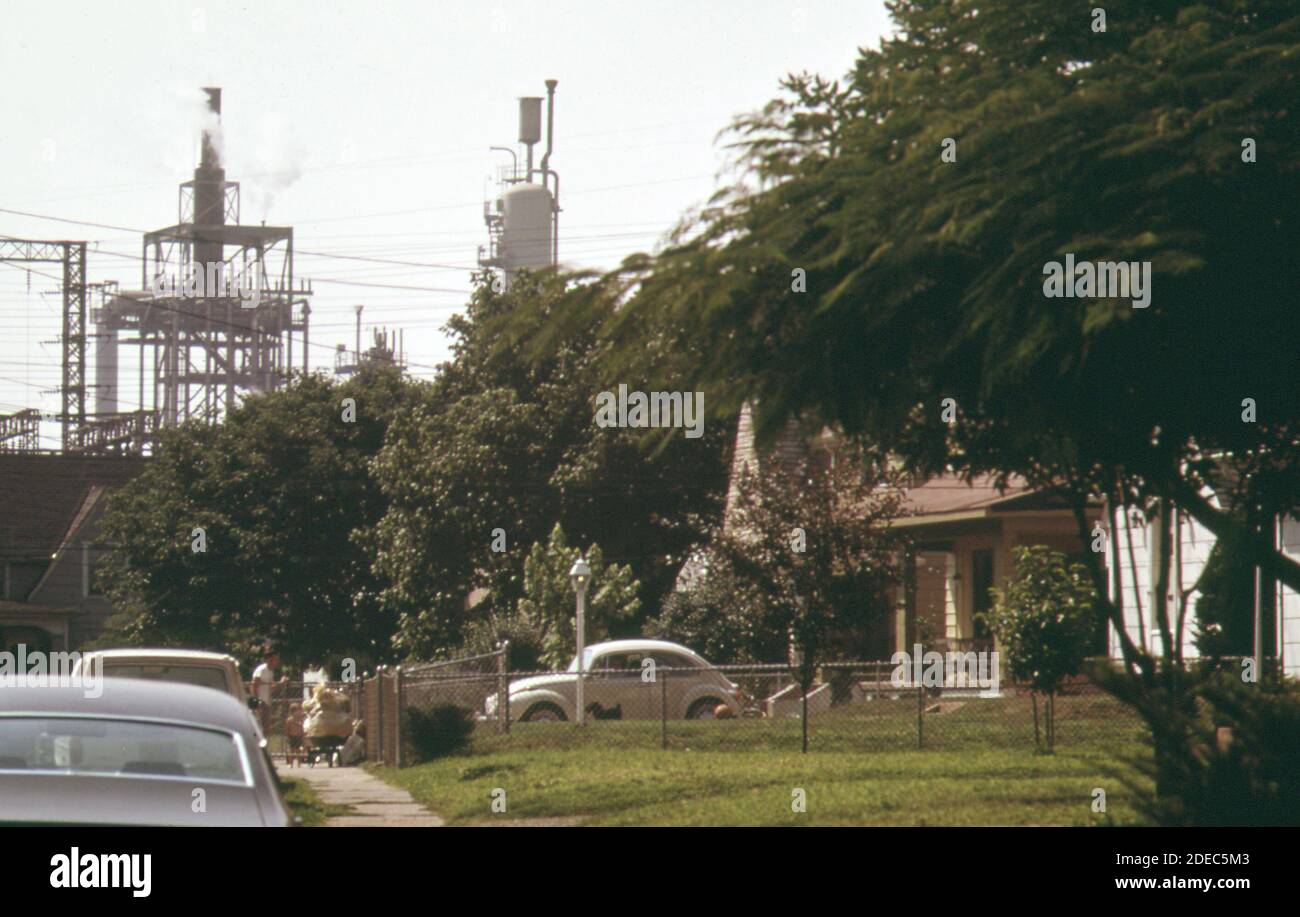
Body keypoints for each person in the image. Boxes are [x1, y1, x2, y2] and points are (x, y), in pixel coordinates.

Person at [251, 648, 287, 735]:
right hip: (260, 702)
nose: (277, 661)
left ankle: (264, 747)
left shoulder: (270, 672)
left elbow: (271, 688)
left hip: (267, 702)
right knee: (259, 728)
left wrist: (281, 683)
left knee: (266, 729)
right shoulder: (262, 670)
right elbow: (254, 686)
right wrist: (256, 703)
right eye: (275, 659)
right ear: (269, 659)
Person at [285, 703, 306, 767]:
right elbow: (287, 729)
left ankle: (299, 764)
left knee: (298, 750)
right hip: (292, 736)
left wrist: (303, 735)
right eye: (296, 711)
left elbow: (302, 728)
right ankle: (291, 764)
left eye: (299, 711)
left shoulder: (300, 720)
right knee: (292, 750)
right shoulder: (289, 720)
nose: (298, 713)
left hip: (299, 736)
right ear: (292, 712)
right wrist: (287, 736)